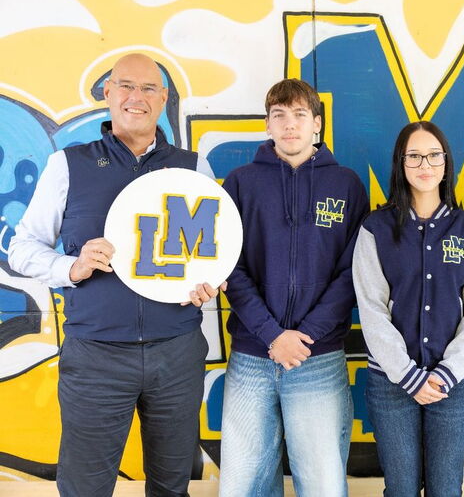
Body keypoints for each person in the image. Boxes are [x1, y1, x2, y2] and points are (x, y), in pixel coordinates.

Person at [8, 53, 222, 496]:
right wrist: (72, 266)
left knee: (172, 485)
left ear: (163, 98)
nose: (136, 97)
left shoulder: (193, 167)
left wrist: (209, 282)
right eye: (126, 85)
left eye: (148, 89)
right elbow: (23, 248)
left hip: (177, 354)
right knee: (85, 487)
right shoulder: (69, 164)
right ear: (108, 93)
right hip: (96, 357)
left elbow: (212, 253)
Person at [218, 78, 368, 497]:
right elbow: (231, 267)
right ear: (267, 125)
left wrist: (304, 337)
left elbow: (353, 272)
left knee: (322, 484)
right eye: (279, 115)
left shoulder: (347, 185)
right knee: (244, 484)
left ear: (316, 124)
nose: (289, 125)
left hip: (317, 359)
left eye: (300, 115)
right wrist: (272, 336)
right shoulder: (241, 183)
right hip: (251, 356)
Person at [352, 121, 464, 496]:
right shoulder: (375, 230)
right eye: (414, 156)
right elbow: (371, 308)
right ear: (400, 163)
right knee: (401, 489)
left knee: (446, 490)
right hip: (391, 384)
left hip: (453, 385)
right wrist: (407, 375)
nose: (424, 164)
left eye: (434, 155)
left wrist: (446, 374)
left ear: (446, 163)